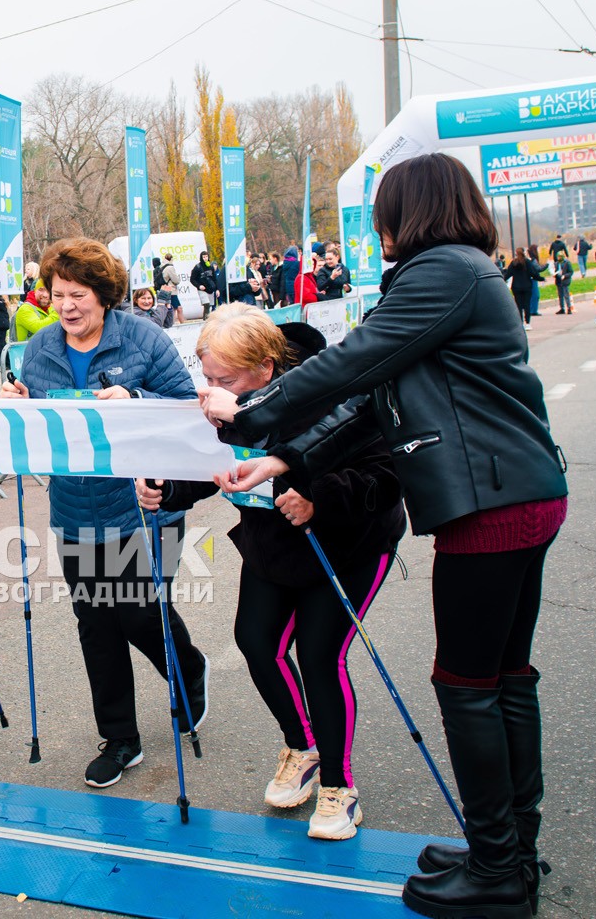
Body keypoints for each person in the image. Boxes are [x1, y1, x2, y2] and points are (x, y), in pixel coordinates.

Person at [201, 153, 567, 919]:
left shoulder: (441, 273)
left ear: (409, 212)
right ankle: (507, 850)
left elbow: (354, 363)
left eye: (383, 211)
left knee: (469, 686)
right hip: (513, 494)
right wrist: (281, 453)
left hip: (492, 505)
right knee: (503, 678)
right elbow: (373, 400)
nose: (379, 227)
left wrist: (254, 412)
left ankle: (501, 872)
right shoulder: (459, 272)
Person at [137, 305, 404, 838]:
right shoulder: (222, 397)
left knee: (321, 656)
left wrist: (317, 498)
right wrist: (169, 490)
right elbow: (217, 468)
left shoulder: (328, 389)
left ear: (266, 367)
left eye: (225, 380)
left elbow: (386, 475)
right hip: (272, 543)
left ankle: (338, 784)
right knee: (256, 642)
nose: (212, 390)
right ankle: (302, 746)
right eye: (206, 377)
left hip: (348, 543)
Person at [0, 237, 208, 789]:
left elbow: (189, 409)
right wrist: (18, 405)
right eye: (56, 294)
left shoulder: (144, 338)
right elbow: (36, 429)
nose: (66, 306)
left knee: (138, 614)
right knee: (96, 622)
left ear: (104, 293)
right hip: (75, 509)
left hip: (144, 508)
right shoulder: (39, 349)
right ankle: (120, 738)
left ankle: (187, 669)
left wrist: (138, 402)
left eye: (78, 294)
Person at [504, 247, 542, 330]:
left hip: (516, 287)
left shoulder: (514, 263)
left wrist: (502, 280)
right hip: (527, 286)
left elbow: (508, 274)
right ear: (524, 253)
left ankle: (520, 323)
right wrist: (541, 278)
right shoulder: (527, 262)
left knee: (519, 305)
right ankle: (527, 323)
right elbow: (533, 273)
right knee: (527, 304)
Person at [552, 250, 574, 315]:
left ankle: (569, 308)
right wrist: (555, 274)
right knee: (560, 295)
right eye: (558, 257)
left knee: (566, 294)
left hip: (565, 281)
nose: (558, 258)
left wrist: (565, 276)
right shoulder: (556, 263)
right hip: (558, 280)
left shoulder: (567, 263)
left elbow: (571, 272)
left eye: (560, 257)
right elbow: (556, 271)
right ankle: (562, 308)